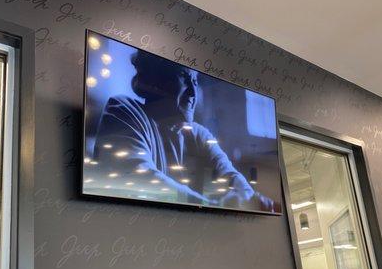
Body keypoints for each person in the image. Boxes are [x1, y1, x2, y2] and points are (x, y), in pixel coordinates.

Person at [92, 50, 275, 212]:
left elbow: (228, 173)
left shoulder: (197, 133)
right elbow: (139, 177)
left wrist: (252, 198)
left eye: (195, 81)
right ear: (156, 80)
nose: (193, 92)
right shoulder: (124, 109)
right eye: (184, 77)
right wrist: (214, 206)